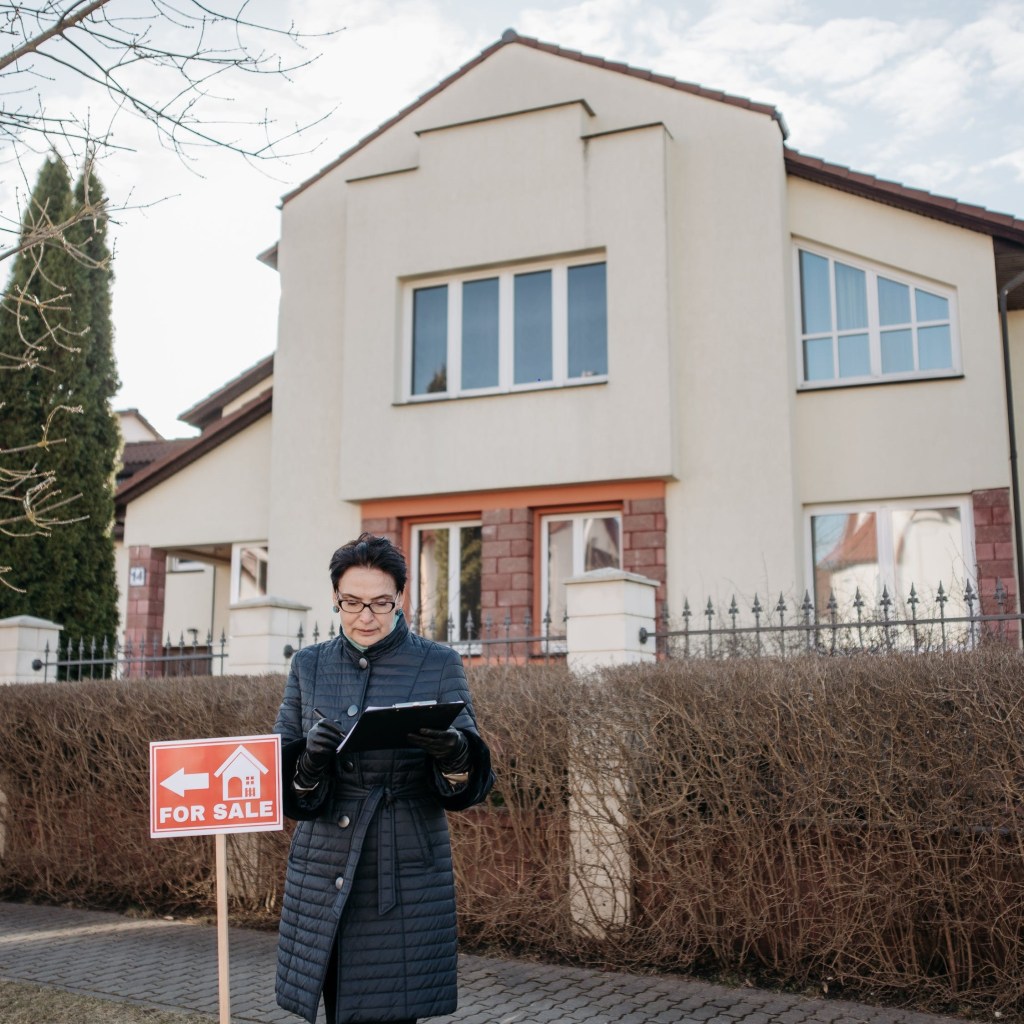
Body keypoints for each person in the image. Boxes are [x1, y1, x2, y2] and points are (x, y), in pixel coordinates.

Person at [273, 532, 495, 1024]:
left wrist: (454, 754)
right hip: (322, 865)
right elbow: (280, 770)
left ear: (400, 599)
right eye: (351, 602)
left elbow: (471, 777)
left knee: (393, 1012)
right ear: (335, 597)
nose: (365, 616)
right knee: (336, 1009)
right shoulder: (309, 666)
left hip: (404, 866)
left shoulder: (438, 663)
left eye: (380, 603)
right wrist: (308, 766)